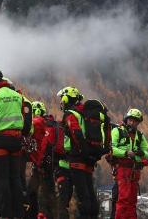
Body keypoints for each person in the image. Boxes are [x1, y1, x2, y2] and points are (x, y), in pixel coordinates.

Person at [0, 69, 32, 219]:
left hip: (0, 142)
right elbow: (26, 121)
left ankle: (6, 214)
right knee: (15, 178)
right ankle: (19, 214)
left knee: (2, 179)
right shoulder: (18, 96)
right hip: (16, 141)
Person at [55, 86, 97, 219]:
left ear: (67, 98)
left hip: (77, 158)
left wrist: (82, 153)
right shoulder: (83, 113)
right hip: (87, 158)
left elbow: (76, 133)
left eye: (62, 98)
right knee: (89, 194)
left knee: (82, 196)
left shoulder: (71, 114)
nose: (61, 101)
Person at [110, 108, 148, 219]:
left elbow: (146, 152)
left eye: (135, 121)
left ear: (138, 122)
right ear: (126, 120)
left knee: (132, 200)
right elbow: (112, 149)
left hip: (134, 171)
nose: (132, 122)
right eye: (130, 120)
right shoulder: (117, 131)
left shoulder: (140, 136)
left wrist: (141, 152)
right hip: (122, 169)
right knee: (123, 199)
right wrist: (126, 153)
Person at [26, 101, 56, 219]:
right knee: (48, 194)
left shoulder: (38, 123)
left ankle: (33, 215)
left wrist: (38, 162)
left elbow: (42, 145)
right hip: (49, 164)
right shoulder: (49, 124)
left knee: (32, 193)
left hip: (41, 165)